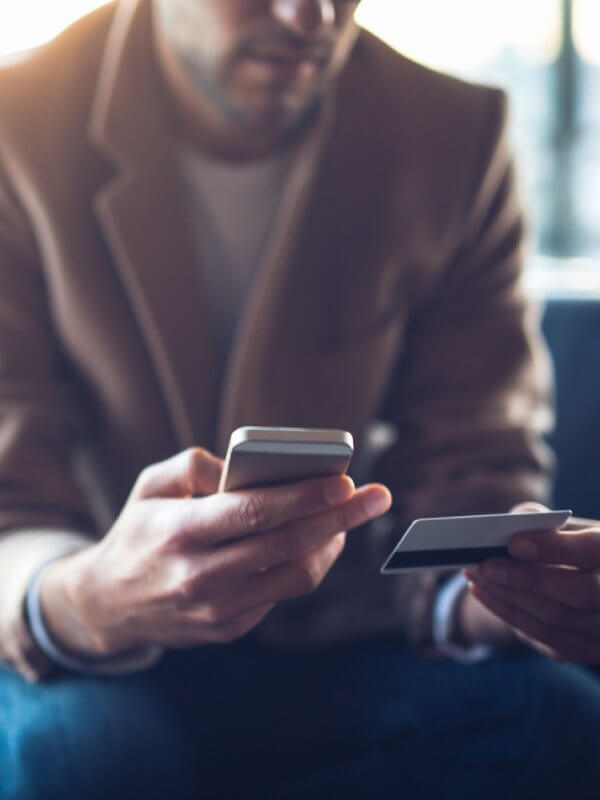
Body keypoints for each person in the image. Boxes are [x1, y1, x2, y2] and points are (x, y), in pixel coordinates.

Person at [0, 0, 598, 797]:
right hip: (92, 636)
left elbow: (474, 449)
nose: (311, 16)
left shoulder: (454, 135)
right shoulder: (17, 125)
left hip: (339, 637)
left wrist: (502, 590)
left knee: (556, 718)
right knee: (87, 751)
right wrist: (89, 601)